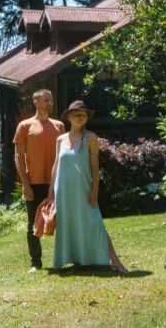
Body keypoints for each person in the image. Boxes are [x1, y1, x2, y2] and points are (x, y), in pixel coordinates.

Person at [49, 100, 128, 274]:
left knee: (95, 222)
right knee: (70, 223)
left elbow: (94, 165)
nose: (80, 117)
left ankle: (115, 260)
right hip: (63, 189)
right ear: (69, 117)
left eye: (83, 115)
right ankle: (77, 260)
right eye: (77, 114)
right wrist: (50, 193)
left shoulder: (91, 137)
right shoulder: (60, 139)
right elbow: (56, 165)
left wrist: (95, 189)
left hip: (83, 187)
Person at [13, 89, 65, 272]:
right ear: (35, 102)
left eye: (51, 100)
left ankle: (66, 258)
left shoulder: (59, 126)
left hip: (56, 181)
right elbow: (18, 157)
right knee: (33, 224)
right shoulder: (24, 126)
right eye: (45, 100)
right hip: (33, 182)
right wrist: (25, 184)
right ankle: (36, 262)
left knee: (63, 221)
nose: (49, 103)